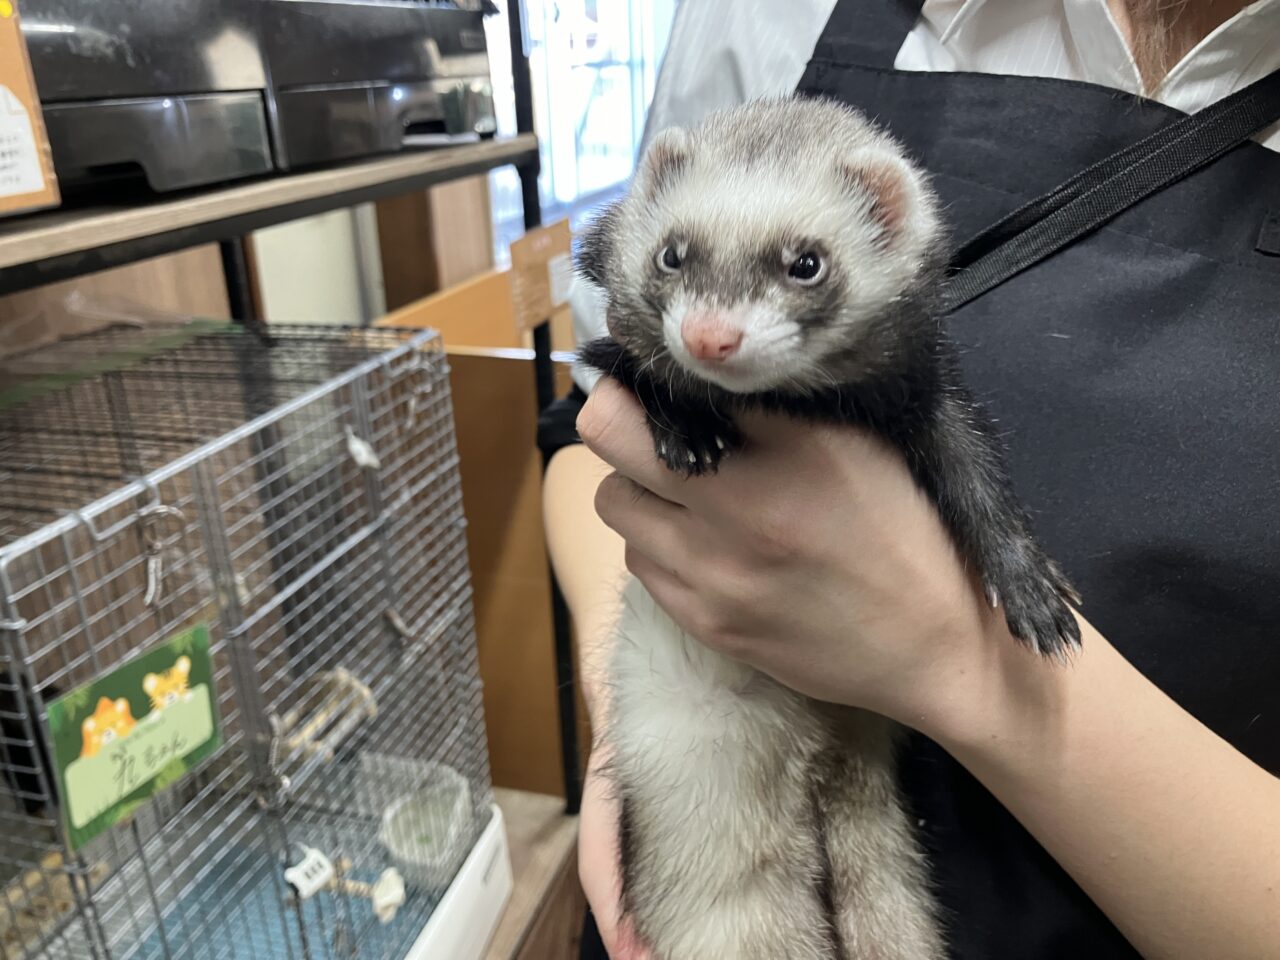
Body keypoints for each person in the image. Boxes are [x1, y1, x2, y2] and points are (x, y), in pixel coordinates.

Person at [538, 1, 1280, 958]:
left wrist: (955, 661)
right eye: (683, 260)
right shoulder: (759, 17)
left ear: (886, 224)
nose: (712, 330)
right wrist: (642, 727)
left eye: (801, 266)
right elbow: (586, 421)